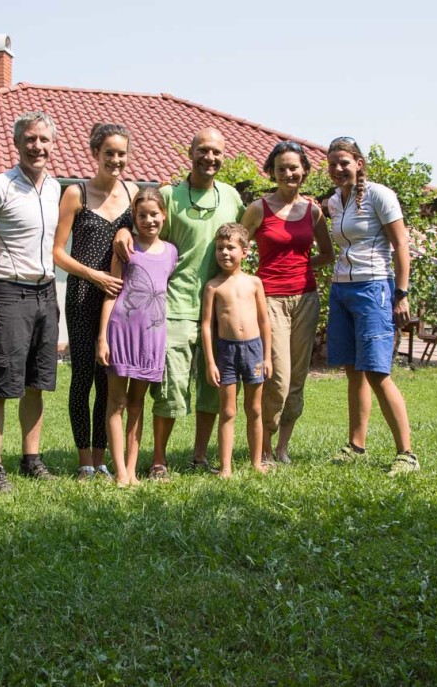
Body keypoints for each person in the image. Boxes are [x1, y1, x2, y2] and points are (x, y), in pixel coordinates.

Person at [113, 128, 245, 479]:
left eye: (216, 151)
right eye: (203, 150)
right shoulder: (171, 195)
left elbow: (241, 242)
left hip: (220, 312)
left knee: (211, 389)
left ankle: (199, 456)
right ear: (190, 151)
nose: (210, 157)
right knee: (169, 389)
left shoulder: (232, 198)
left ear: (223, 156)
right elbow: (145, 223)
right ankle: (158, 459)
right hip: (175, 309)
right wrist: (124, 230)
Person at [0, 111, 61, 492]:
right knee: (1, 383)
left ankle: (31, 459)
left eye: (44, 140)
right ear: (17, 143)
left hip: (46, 294)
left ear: (53, 145)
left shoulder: (56, 189)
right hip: (8, 294)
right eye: (31, 139)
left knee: (37, 382)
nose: (38, 146)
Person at [325, 136, 419, 476]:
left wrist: (402, 293)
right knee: (352, 370)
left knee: (378, 372)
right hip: (341, 290)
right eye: (333, 163)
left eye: (344, 162)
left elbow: (400, 243)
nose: (338, 169)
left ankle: (407, 453)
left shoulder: (379, 194)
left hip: (374, 288)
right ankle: (356, 445)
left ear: (358, 163)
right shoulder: (335, 201)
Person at [53, 123, 139, 481]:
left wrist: (125, 230)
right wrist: (94, 274)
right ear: (95, 154)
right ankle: (84, 461)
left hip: (119, 297)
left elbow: (142, 236)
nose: (115, 160)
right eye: (109, 153)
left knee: (110, 379)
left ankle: (103, 459)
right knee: (83, 378)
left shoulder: (134, 193)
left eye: (121, 153)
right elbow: (57, 252)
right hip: (84, 294)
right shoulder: (76, 194)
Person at [240, 141, 334, 465]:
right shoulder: (257, 209)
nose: (288, 173)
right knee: (276, 378)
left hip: (306, 299)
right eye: (281, 168)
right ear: (272, 172)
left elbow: (328, 254)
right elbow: (234, 248)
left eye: (294, 167)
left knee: (297, 378)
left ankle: (281, 448)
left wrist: (304, 266)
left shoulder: (314, 211)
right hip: (270, 301)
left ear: (304, 171)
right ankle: (263, 445)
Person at [96, 188, 178, 486]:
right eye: (142, 215)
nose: (148, 220)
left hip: (151, 337)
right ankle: (119, 471)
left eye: (154, 214)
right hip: (121, 332)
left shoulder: (171, 252)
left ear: (164, 215)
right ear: (134, 216)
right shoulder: (125, 247)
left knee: (137, 404)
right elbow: (111, 293)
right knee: (116, 403)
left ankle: (132, 469)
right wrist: (103, 337)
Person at [201, 224, 271, 478]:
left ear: (244, 250)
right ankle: (226, 466)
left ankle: (256, 462)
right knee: (228, 410)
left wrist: (267, 356)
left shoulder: (254, 283)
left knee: (254, 409)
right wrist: (210, 362)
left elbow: (265, 322)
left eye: (231, 248)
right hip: (226, 352)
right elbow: (207, 326)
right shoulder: (213, 287)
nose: (225, 253)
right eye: (220, 248)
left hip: (253, 350)